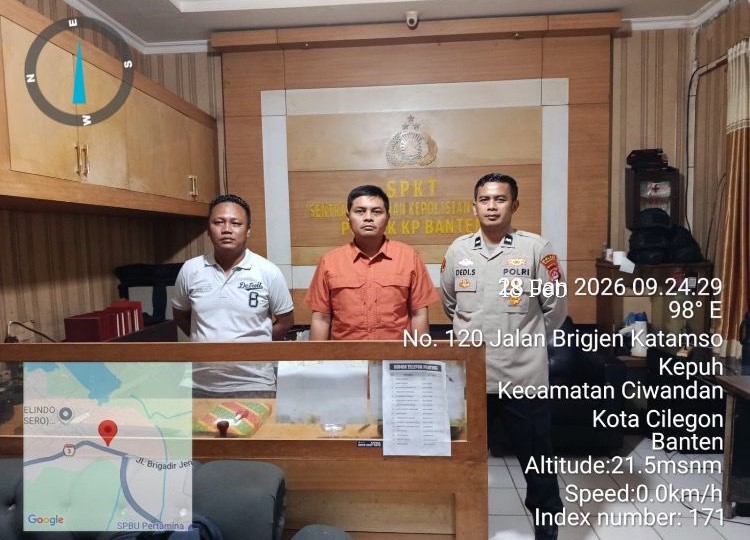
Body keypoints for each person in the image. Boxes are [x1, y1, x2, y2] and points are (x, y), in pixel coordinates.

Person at [440, 173, 566, 540]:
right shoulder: (458, 251)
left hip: (521, 378)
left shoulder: (536, 249)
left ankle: (546, 528)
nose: (492, 206)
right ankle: (462, 528)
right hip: (471, 380)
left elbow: (555, 309)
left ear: (514, 205)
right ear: (474, 206)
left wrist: (524, 343)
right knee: (462, 463)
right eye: (485, 199)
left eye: (500, 199)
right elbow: (450, 305)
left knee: (538, 463)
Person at [172, 193, 294, 395]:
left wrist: (253, 344)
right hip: (199, 384)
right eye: (218, 222)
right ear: (208, 229)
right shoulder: (190, 270)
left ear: (248, 230)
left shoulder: (268, 271)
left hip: (254, 384)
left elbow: (286, 322)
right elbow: (180, 316)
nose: (227, 229)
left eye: (236, 223)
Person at [305, 185, 438, 340]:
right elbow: (321, 318)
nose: (368, 217)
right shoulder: (330, 262)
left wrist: (420, 353)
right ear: (348, 217)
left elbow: (418, 314)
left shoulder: (409, 257)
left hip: (396, 354)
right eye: (360, 211)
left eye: (376, 211)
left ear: (387, 217)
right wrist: (317, 356)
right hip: (346, 354)